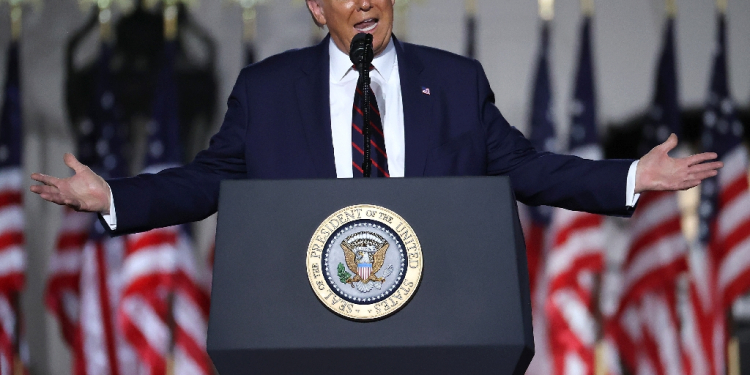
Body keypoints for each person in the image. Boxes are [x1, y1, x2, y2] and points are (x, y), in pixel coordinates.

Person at [31, 0, 722, 236]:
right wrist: (115, 195)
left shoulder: (454, 82)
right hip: (310, 329)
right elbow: (207, 182)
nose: (366, 1)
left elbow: (526, 168)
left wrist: (630, 176)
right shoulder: (267, 92)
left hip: (434, 327)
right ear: (314, 6)